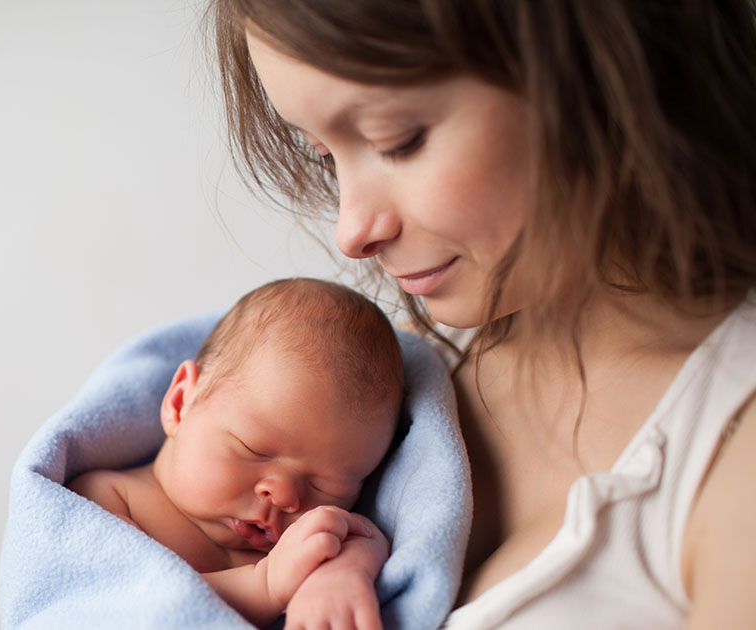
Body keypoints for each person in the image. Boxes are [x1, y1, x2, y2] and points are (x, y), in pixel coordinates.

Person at [207, 1, 756, 628]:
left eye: (397, 140)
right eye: (325, 155)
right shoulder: (380, 379)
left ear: (593, 71)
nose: (350, 231)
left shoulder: (733, 453)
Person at [69, 277, 403, 628]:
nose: (285, 495)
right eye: (255, 449)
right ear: (181, 403)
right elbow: (123, 605)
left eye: (326, 485)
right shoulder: (104, 497)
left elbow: (363, 537)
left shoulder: (298, 543)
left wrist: (340, 576)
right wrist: (264, 585)